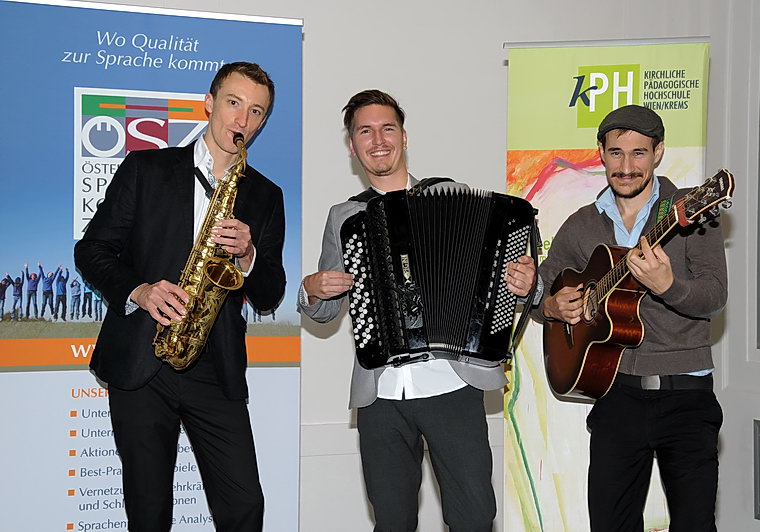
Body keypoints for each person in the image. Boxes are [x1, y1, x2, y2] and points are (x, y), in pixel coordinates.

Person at [298, 89, 536, 532]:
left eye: (387, 129)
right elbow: (326, 311)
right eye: (365, 132)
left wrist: (525, 284)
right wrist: (311, 290)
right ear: (352, 145)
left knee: (474, 518)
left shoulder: (452, 195)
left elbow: (509, 280)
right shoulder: (344, 217)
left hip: (453, 385)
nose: (378, 140)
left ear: (404, 137)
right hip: (380, 395)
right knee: (392, 521)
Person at [74, 61, 286, 532]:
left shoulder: (266, 195)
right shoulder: (146, 168)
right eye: (233, 103)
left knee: (245, 505)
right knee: (148, 511)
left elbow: (271, 291)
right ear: (209, 104)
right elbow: (92, 250)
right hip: (142, 361)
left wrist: (249, 255)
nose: (242, 120)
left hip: (215, 366)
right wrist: (140, 290)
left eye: (256, 111)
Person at [532, 105, 727, 531]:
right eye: (616, 153)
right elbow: (541, 285)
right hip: (615, 393)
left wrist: (667, 285)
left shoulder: (688, 210)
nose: (626, 166)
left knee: (695, 524)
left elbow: (714, 297)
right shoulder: (582, 224)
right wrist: (549, 307)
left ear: (658, 152)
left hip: (685, 394)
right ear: (601, 153)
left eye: (639, 153)